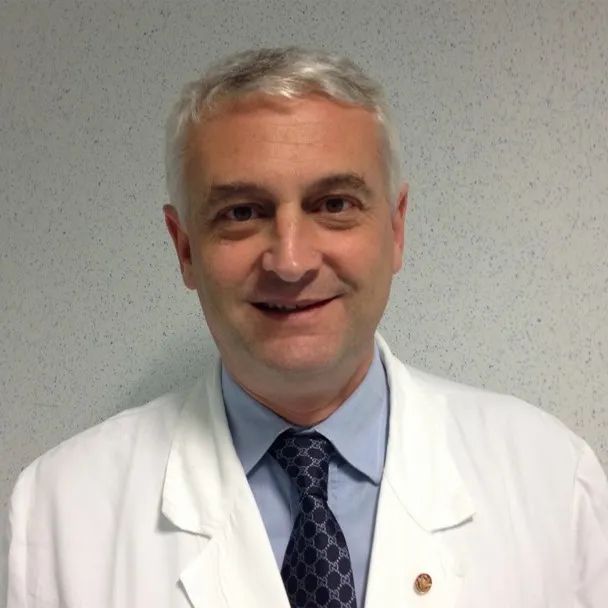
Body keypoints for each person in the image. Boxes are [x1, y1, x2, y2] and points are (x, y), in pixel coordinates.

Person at [5, 47, 608, 608]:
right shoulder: (59, 512)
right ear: (185, 249)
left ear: (396, 229)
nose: (290, 262)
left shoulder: (554, 482)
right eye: (242, 212)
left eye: (334, 204)